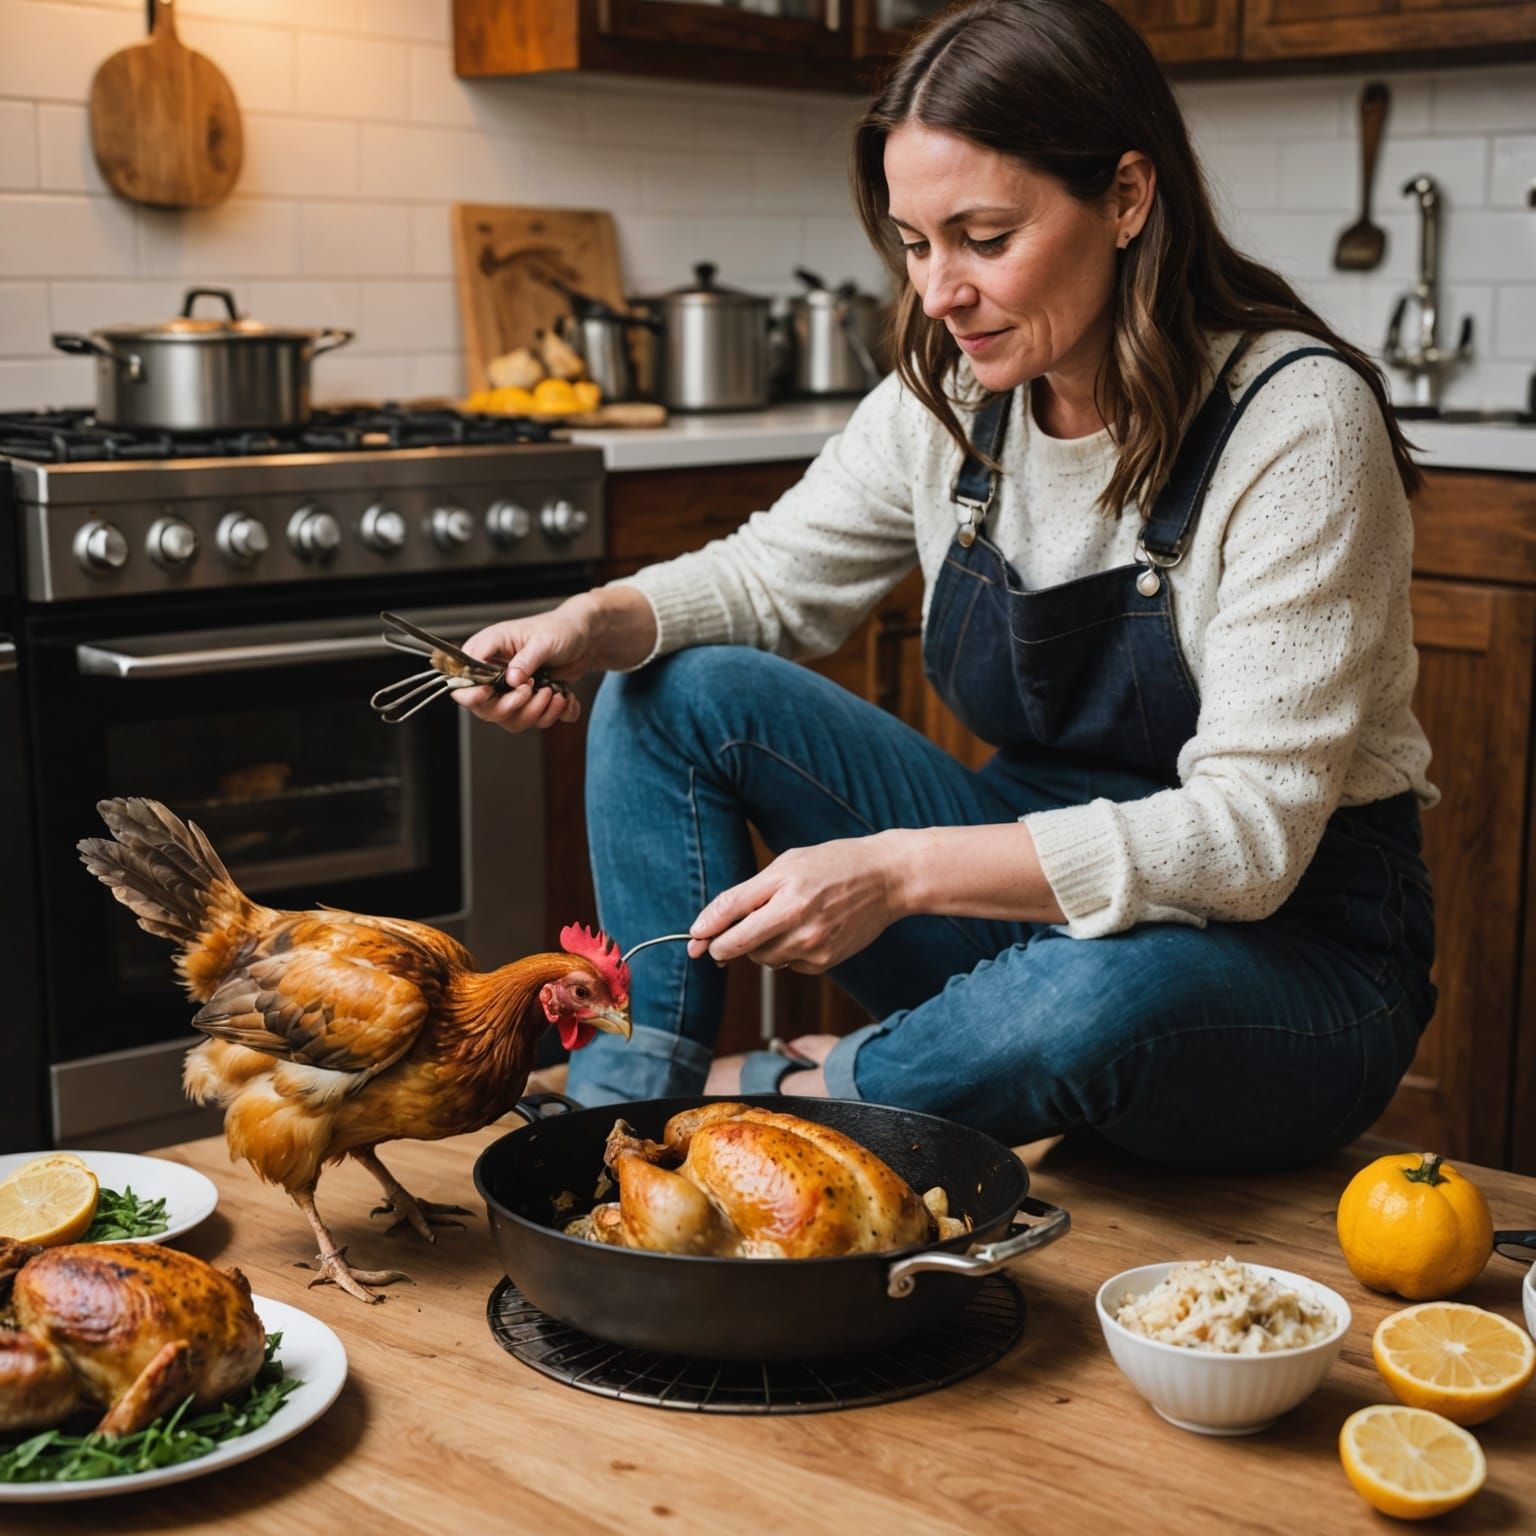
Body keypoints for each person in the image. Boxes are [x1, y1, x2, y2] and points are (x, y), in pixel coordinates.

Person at [455, 0, 1436, 1171]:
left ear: (1126, 198)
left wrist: (900, 870)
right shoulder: (960, 395)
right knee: (671, 689)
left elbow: (1245, 844)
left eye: (982, 237)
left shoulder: (1297, 422)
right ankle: (617, 1113)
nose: (937, 293)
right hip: (1024, 917)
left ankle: (784, 1100)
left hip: (1288, 963)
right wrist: (596, 620)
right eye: (916, 244)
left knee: (1095, 990)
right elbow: (773, 577)